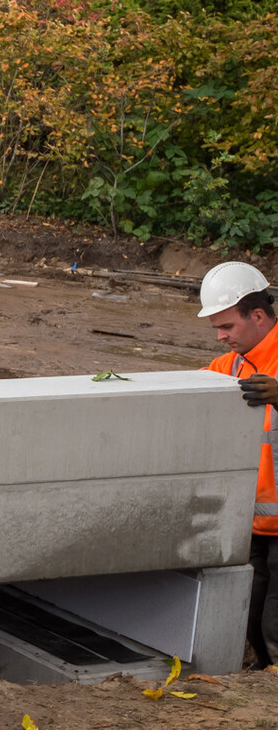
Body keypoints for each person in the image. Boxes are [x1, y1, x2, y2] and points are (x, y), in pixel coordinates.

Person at [197, 261, 278, 671]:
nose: (221, 336)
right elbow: (189, 388)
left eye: (226, 326)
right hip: (254, 522)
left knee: (275, 623)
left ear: (258, 316)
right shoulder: (231, 364)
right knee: (249, 617)